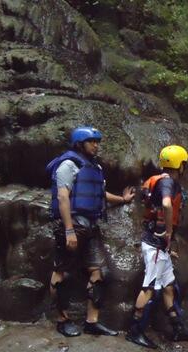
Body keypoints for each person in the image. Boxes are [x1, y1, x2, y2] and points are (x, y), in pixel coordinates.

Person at [46, 126, 135, 337]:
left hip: (91, 227)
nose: (96, 145)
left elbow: (99, 192)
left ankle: (91, 321)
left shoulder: (94, 167)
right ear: (79, 144)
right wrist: (69, 230)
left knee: (98, 272)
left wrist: (122, 199)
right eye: (91, 141)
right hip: (72, 225)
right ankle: (62, 319)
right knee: (62, 272)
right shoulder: (68, 164)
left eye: (97, 141)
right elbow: (62, 197)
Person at [125, 145, 188, 349]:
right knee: (149, 287)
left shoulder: (156, 181)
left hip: (158, 245)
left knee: (168, 287)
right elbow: (166, 205)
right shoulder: (168, 182)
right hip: (155, 243)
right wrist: (167, 231)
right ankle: (135, 330)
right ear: (179, 165)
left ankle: (177, 328)